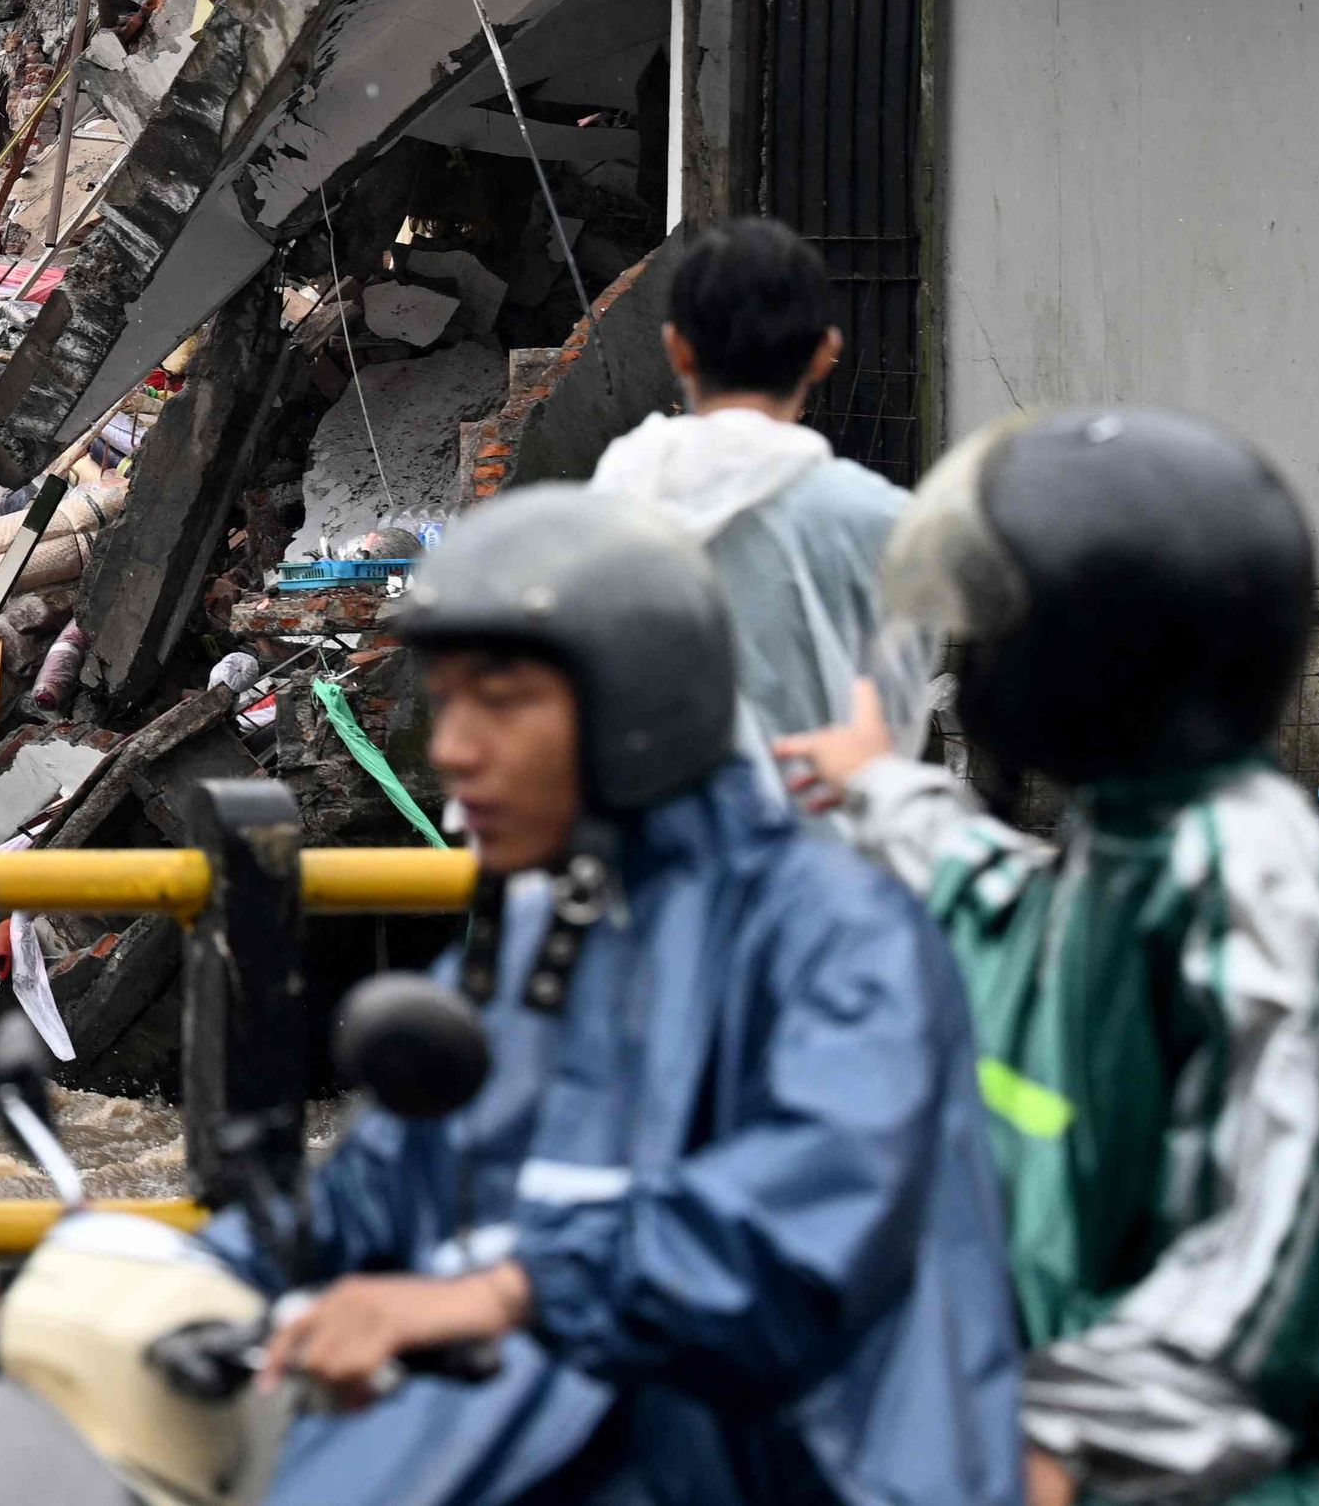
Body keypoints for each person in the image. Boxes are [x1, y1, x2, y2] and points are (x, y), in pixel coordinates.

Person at [223, 486, 1024, 1506]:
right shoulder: (530, 939)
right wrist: (171, 1274)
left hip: (799, 1468)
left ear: (633, 709)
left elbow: (794, 1229)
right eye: (448, 698)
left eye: (501, 701)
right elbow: (385, 1187)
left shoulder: (833, 935)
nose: (454, 748)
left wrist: (501, 1295)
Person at [775, 411, 1319, 1506]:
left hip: (1281, 1472)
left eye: (992, 640)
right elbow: (998, 897)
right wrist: (874, 783)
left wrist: (1045, 1442)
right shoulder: (1121, 846)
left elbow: (1263, 1263)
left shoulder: (1243, 865)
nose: (974, 672)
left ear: (1086, 658)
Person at [589, 216, 917, 748]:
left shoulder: (612, 499)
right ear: (823, 353)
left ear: (676, 349)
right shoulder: (881, 521)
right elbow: (891, 729)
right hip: (816, 819)